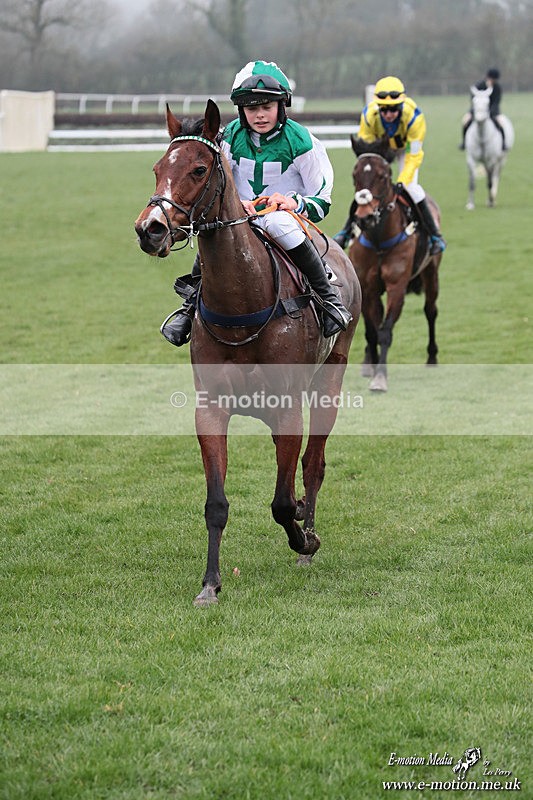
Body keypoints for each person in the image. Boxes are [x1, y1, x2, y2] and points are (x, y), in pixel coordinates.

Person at [161, 60, 352, 347]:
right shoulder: (228, 138)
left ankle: (328, 298)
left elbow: (321, 201)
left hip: (286, 216)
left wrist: (291, 202)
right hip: (238, 216)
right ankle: (189, 309)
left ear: (281, 106)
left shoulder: (303, 142)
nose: (260, 115)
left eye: (267, 107)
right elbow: (216, 183)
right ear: (241, 110)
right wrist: (237, 205)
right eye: (252, 108)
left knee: (278, 223)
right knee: (213, 231)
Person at [333, 76, 446, 256]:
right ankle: (346, 232)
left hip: (404, 151)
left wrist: (402, 180)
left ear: (401, 106)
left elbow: (414, 155)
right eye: (384, 109)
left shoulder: (415, 119)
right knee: (366, 188)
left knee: (411, 188)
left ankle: (435, 236)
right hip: (379, 151)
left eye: (393, 109)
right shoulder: (369, 116)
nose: (388, 114)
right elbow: (367, 152)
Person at [459, 67, 506, 150]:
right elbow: (473, 97)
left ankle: (503, 144)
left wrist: (491, 112)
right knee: (465, 121)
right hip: (477, 109)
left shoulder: (497, 88)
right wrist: (475, 109)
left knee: (501, 123)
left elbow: (496, 102)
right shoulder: (480, 85)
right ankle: (464, 142)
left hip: (493, 111)